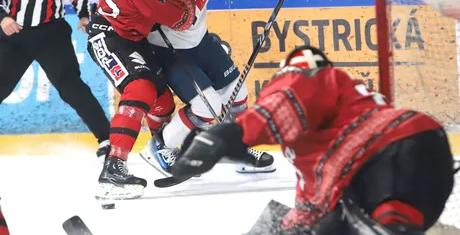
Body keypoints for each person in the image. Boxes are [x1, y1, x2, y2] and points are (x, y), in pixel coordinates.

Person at [172, 45, 456, 235]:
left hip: (384, 157)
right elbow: (309, 210)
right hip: (417, 162)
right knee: (350, 223)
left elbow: (288, 99)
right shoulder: (339, 119)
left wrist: (231, 133)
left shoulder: (307, 75)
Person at [142, 0, 318, 175]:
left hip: (199, 41)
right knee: (207, 106)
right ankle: (159, 147)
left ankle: (238, 149)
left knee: (238, 94)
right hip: (166, 48)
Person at [87, 0, 204, 199]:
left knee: (162, 101)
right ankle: (114, 168)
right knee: (141, 88)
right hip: (107, 35)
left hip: (130, 37)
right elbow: (184, 19)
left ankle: (162, 153)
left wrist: (134, 13)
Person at [0, 0, 110, 157]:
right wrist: (2, 17)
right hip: (15, 34)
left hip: (51, 35)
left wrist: (83, 16)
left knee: (72, 86)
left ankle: (107, 139)